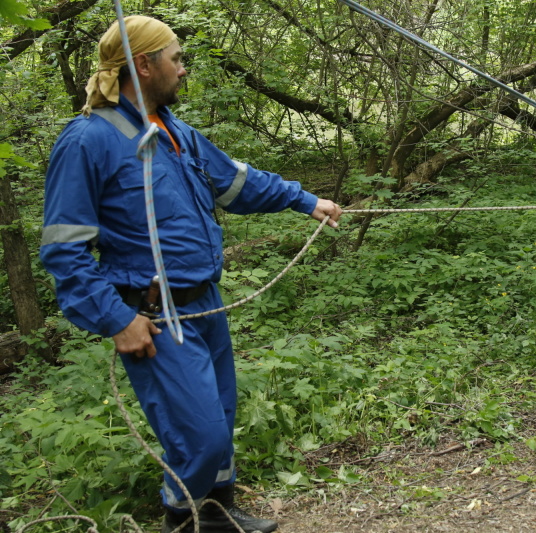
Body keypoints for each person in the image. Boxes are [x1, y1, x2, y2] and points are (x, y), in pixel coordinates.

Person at [39, 15, 342, 533]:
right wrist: (115, 319)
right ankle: (181, 521)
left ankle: (217, 514)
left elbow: (238, 184)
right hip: (153, 314)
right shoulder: (88, 141)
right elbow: (64, 253)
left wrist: (306, 200)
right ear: (144, 64)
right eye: (176, 58)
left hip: (205, 302)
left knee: (220, 420)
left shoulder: (177, 132)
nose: (183, 69)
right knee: (199, 435)